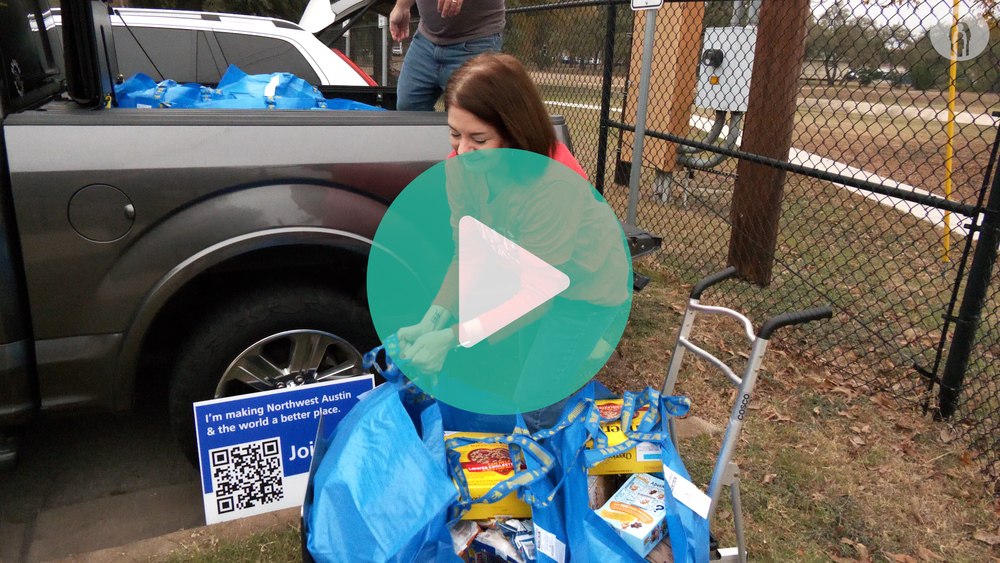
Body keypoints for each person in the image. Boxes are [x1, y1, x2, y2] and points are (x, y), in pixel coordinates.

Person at [394, 53, 630, 432]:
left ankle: (549, 471)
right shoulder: (462, 167)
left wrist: (452, 339)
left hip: (586, 290)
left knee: (535, 403)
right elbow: (468, 255)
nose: (462, 150)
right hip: (530, 274)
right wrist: (432, 319)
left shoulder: (552, 184)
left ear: (513, 131)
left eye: (479, 138)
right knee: (533, 376)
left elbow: (537, 293)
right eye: (455, 133)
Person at [389, 0, 504, 111]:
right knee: (408, 110)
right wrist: (402, 6)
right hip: (425, 41)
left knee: (469, 118)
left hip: (475, 41)